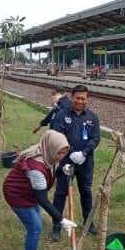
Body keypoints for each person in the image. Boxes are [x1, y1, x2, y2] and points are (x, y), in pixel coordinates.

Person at [3, 130, 77, 250]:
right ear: (51, 148)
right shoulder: (36, 167)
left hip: (30, 191)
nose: (61, 156)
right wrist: (61, 220)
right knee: (35, 227)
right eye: (59, 153)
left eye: (64, 152)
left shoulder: (48, 152)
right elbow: (43, 200)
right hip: (16, 193)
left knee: (35, 224)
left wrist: (62, 169)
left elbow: (51, 168)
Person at [51, 84, 101, 241]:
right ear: (72, 97)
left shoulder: (92, 117)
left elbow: (95, 138)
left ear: (88, 99)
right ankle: (57, 225)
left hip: (85, 163)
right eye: (78, 98)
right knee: (61, 193)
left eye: (84, 98)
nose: (81, 101)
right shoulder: (61, 115)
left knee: (86, 191)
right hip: (66, 162)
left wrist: (84, 153)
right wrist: (71, 153)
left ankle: (88, 223)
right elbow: (58, 136)